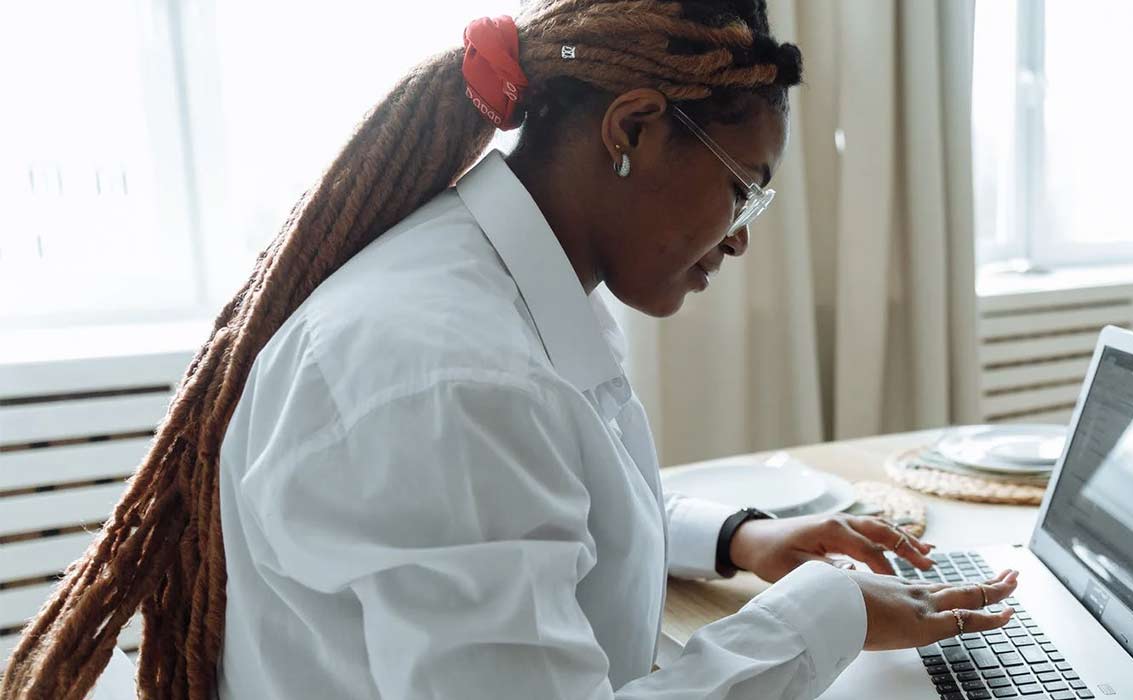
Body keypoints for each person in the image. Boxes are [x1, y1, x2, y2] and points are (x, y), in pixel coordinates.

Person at [0, 1, 1018, 698]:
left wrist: (741, 539)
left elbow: (540, 507)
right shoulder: (450, 373)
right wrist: (826, 610)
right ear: (632, 127)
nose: (744, 232)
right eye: (744, 184)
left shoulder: (496, 284)